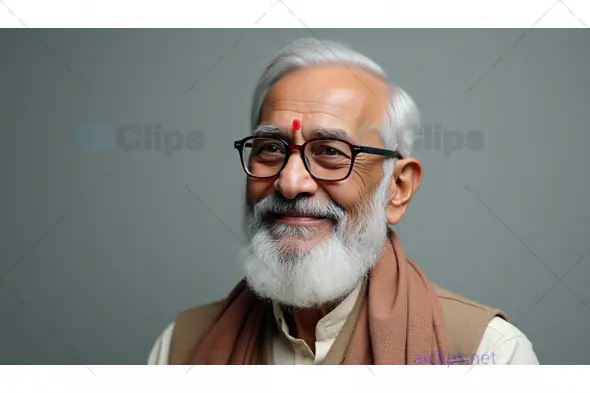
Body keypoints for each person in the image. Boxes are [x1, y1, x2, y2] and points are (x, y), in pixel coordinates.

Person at [147, 38, 539, 365]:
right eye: (270, 148)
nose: (290, 182)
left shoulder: (486, 356)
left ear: (397, 188)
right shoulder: (180, 349)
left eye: (331, 151)